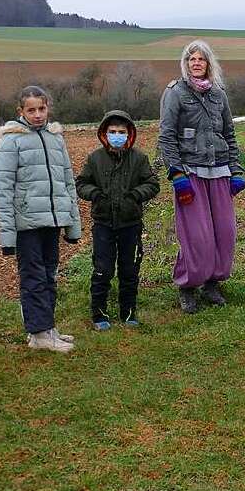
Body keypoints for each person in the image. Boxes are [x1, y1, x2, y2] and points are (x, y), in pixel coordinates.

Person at [158, 40, 245, 314]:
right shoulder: (175, 92)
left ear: (209, 64)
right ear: (185, 64)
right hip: (191, 172)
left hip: (219, 170)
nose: (196, 63)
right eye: (191, 59)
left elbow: (229, 134)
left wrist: (236, 170)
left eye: (201, 59)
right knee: (198, 236)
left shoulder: (219, 95)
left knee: (225, 233)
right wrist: (176, 173)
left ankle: (212, 282)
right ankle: (187, 285)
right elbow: (167, 135)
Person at [0, 85, 82, 353]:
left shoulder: (56, 138)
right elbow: (3, 189)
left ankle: (48, 328)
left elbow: (67, 182)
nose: (37, 115)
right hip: (27, 224)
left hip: (52, 222)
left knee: (49, 276)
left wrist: (72, 223)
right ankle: (39, 333)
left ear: (48, 108)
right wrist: (7, 235)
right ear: (20, 111)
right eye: (31, 110)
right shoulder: (11, 141)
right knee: (33, 278)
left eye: (41, 109)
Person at [76, 110, 160, 329]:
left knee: (129, 269)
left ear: (129, 134)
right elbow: (81, 183)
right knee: (102, 269)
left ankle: (129, 313)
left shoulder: (139, 158)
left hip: (130, 224)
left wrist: (135, 196)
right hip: (103, 223)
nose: (116, 135)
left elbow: (152, 184)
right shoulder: (95, 158)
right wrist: (95, 194)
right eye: (112, 131)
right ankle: (99, 314)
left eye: (121, 132)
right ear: (104, 133)